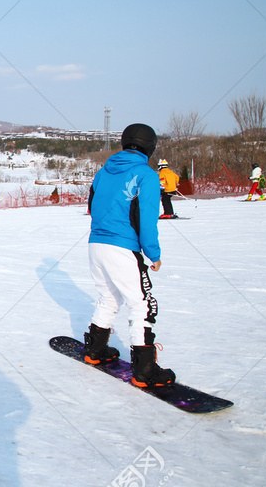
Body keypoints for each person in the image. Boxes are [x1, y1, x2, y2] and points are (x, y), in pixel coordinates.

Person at [83, 123, 175, 388]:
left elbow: (92, 206)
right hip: (122, 248)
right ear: (150, 147)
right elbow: (147, 219)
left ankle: (95, 351)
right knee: (141, 304)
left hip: (95, 244)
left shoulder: (103, 172)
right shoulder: (145, 174)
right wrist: (153, 253)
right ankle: (145, 371)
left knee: (108, 297)